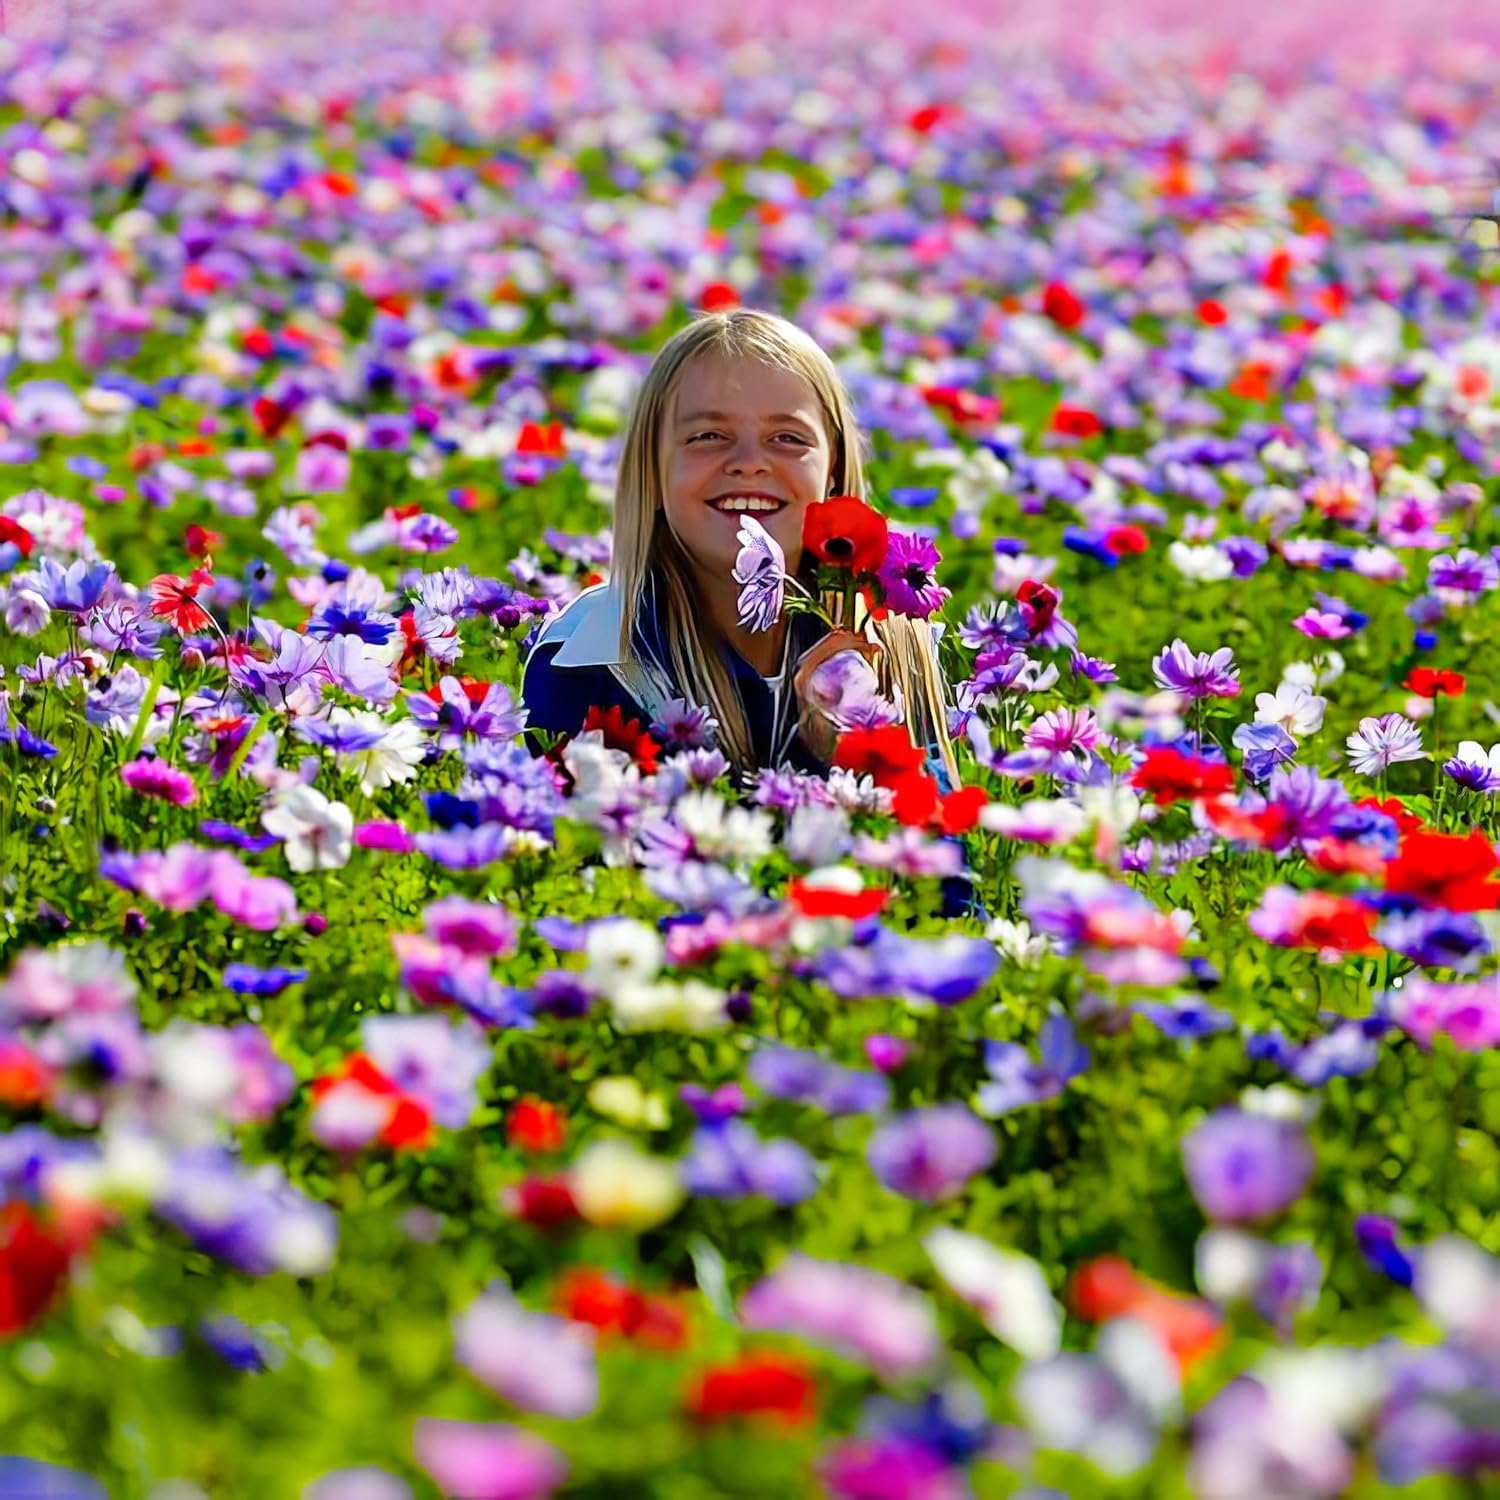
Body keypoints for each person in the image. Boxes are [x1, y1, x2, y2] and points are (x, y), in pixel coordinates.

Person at [521, 308, 960, 792]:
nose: (749, 463)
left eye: (787, 438)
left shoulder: (898, 644)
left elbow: (940, 856)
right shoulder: (590, 654)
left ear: (833, 468)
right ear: (652, 466)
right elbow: (591, 853)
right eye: (707, 436)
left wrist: (849, 749)